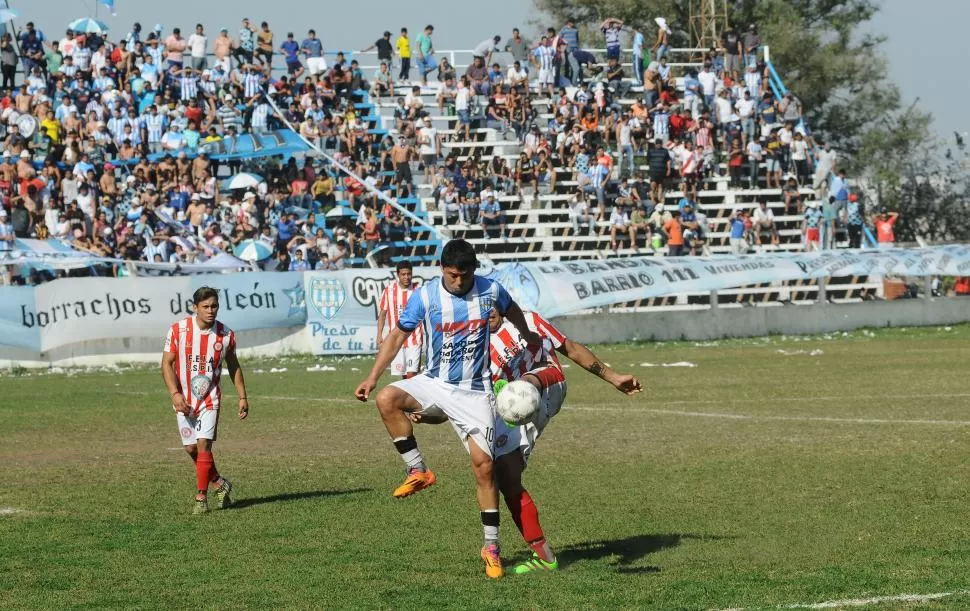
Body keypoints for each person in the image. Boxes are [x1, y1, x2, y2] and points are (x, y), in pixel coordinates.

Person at [354, 239, 542, 579]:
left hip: (475, 392)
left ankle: (491, 547)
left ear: (474, 270)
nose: (459, 281)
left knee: (485, 469)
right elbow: (397, 336)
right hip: (435, 382)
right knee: (386, 399)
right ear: (442, 269)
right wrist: (371, 377)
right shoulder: (426, 296)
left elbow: (512, 308)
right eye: (454, 275)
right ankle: (418, 471)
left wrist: (527, 333)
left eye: (465, 275)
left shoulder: (489, 290)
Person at [411, 308, 642, 574]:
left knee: (524, 385)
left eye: (492, 309)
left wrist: (613, 377)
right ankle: (545, 556)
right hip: (515, 409)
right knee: (506, 475)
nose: (489, 316)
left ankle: (523, 388)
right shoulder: (475, 354)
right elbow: (457, 405)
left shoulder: (528, 320)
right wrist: (427, 415)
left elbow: (570, 347)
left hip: (548, 382)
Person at [161, 286, 250, 515]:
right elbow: (166, 365)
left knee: (203, 446)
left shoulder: (226, 335)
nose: (211, 311)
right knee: (191, 448)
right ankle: (220, 483)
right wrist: (175, 394)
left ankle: (201, 497)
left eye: (215, 306)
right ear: (195, 308)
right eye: (206, 307)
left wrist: (242, 396)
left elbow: (234, 365)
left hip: (210, 400)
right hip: (183, 399)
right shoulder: (178, 330)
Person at [376, 261, 424, 378]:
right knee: (401, 376)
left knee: (411, 375)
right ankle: (406, 396)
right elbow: (382, 314)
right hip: (396, 339)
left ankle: (414, 395)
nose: (406, 277)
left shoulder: (419, 290)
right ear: (398, 275)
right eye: (403, 274)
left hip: (414, 339)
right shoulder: (389, 291)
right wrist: (379, 335)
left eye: (409, 274)